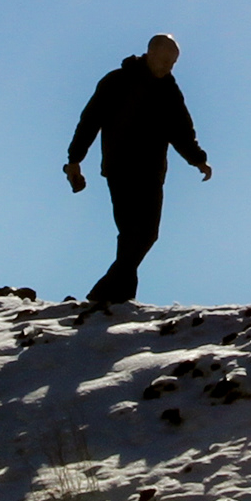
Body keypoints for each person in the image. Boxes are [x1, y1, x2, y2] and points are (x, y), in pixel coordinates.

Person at [65, 34, 211, 306]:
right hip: (120, 168)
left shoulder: (169, 91)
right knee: (133, 232)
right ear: (150, 53)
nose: (168, 67)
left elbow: (181, 130)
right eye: (166, 60)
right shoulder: (117, 81)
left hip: (153, 172)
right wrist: (75, 159)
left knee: (147, 234)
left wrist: (198, 159)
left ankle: (113, 296)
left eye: (173, 63)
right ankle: (115, 297)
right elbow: (90, 120)